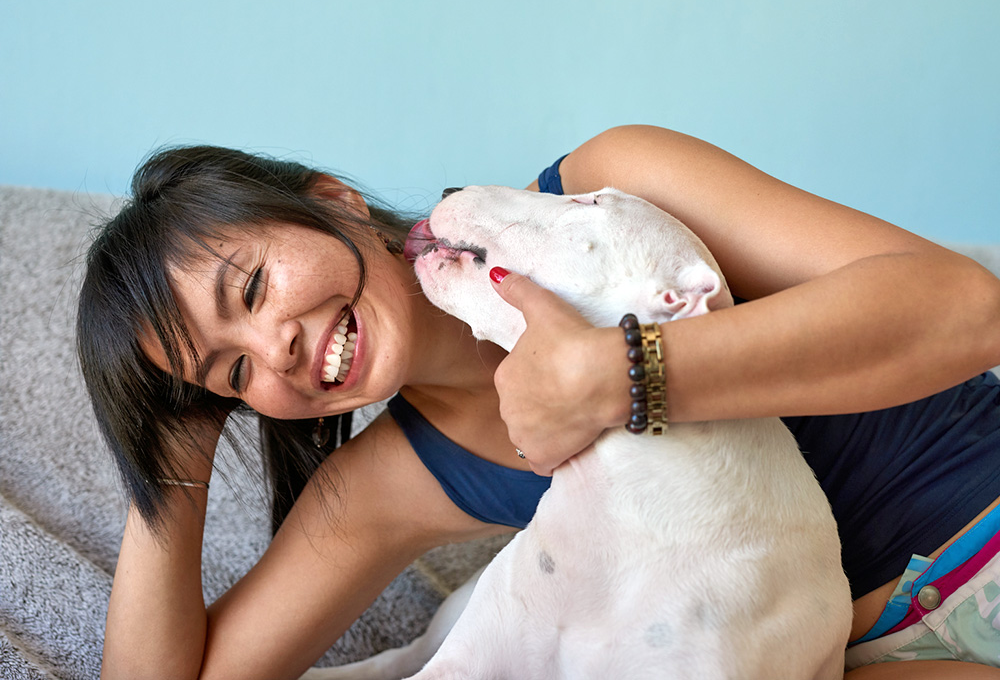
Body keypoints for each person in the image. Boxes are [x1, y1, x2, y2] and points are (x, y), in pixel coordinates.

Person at [77, 126, 1000, 680]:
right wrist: (171, 449)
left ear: (333, 201)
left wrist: (620, 376)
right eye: (231, 376)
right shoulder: (393, 481)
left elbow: (967, 309)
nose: (270, 348)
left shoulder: (611, 194)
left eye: (251, 291)